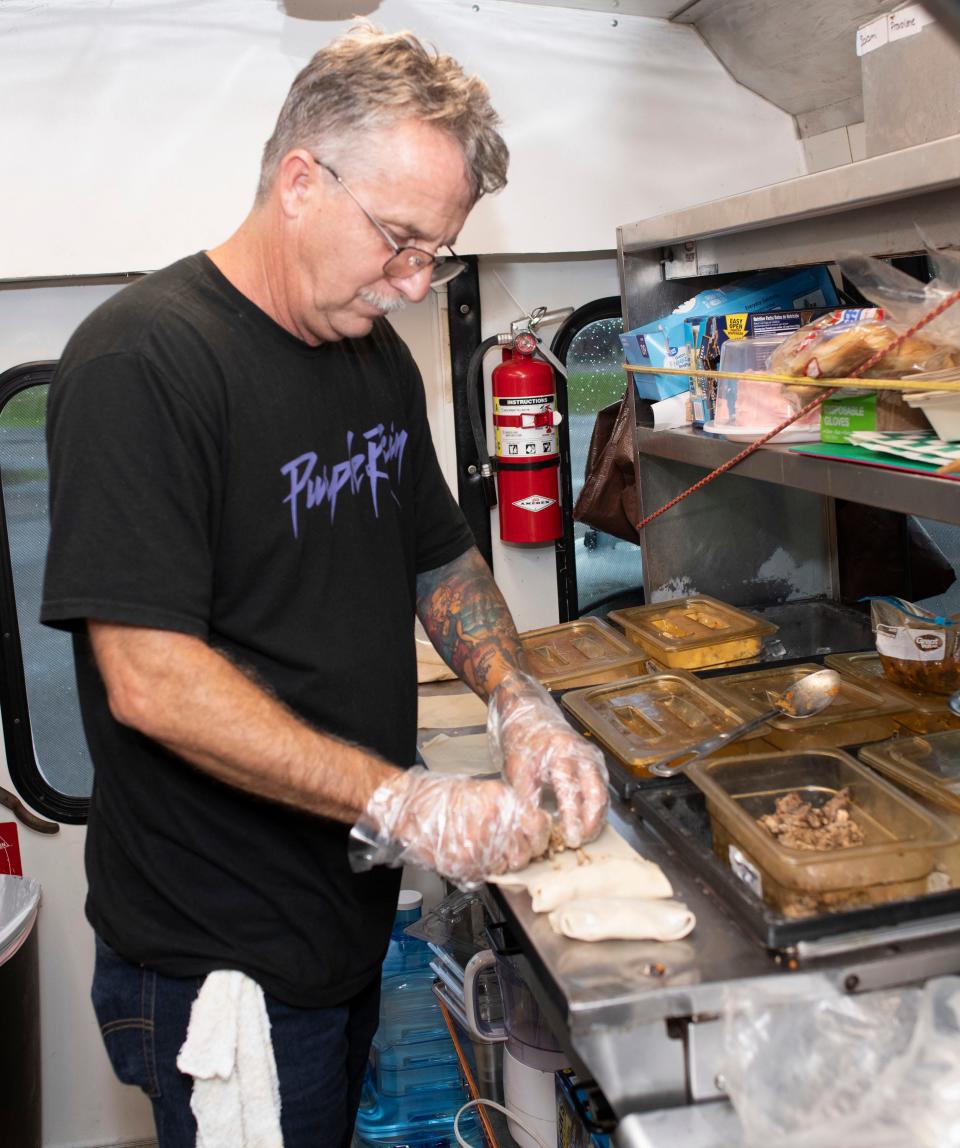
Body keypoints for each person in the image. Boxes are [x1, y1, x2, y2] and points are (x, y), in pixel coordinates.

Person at [41, 24, 608, 1148]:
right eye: (398, 241)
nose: (410, 283)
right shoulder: (141, 363)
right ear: (301, 179)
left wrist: (520, 700)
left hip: (336, 920)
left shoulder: (369, 354)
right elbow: (149, 678)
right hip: (220, 963)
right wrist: (402, 800)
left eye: (432, 257)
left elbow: (437, 553)